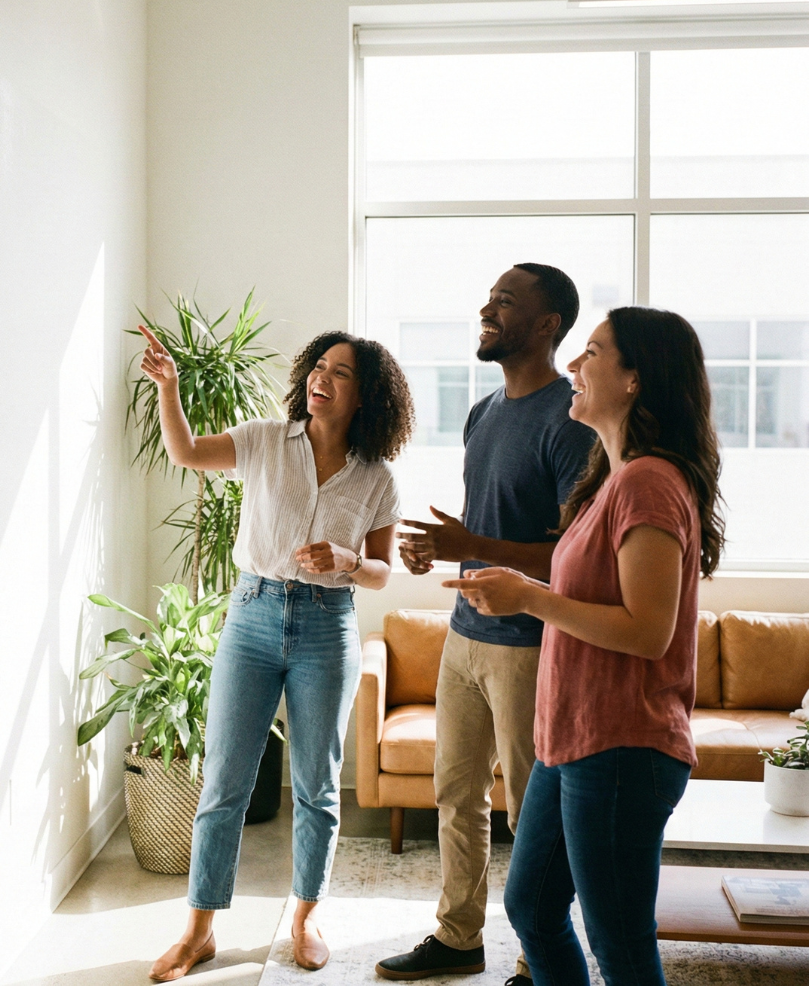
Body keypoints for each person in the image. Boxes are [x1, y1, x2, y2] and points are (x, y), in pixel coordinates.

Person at [447, 307, 724, 985]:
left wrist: (528, 597)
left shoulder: (649, 482)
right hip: (570, 741)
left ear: (635, 378)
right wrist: (516, 584)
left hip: (623, 748)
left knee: (619, 942)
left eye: (593, 353)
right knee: (533, 908)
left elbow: (647, 630)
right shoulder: (610, 478)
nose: (574, 364)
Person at [141, 325, 415, 981]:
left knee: (317, 787)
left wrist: (347, 559)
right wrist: (170, 389)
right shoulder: (265, 440)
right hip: (253, 616)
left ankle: (306, 916)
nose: (323, 378)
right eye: (319, 366)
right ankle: (200, 931)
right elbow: (183, 451)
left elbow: (381, 571)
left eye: (341, 373)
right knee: (224, 782)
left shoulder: (376, 478)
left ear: (365, 396)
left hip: (328, 625)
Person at [376, 263, 595, 984]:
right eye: (490, 298)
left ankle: (540, 958)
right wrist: (440, 546)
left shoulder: (572, 421)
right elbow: (492, 529)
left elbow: (570, 552)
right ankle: (458, 937)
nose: (486, 308)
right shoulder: (484, 412)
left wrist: (469, 545)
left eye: (506, 301)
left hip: (532, 647)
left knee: (529, 811)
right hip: (465, 636)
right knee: (455, 793)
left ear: (546, 326)